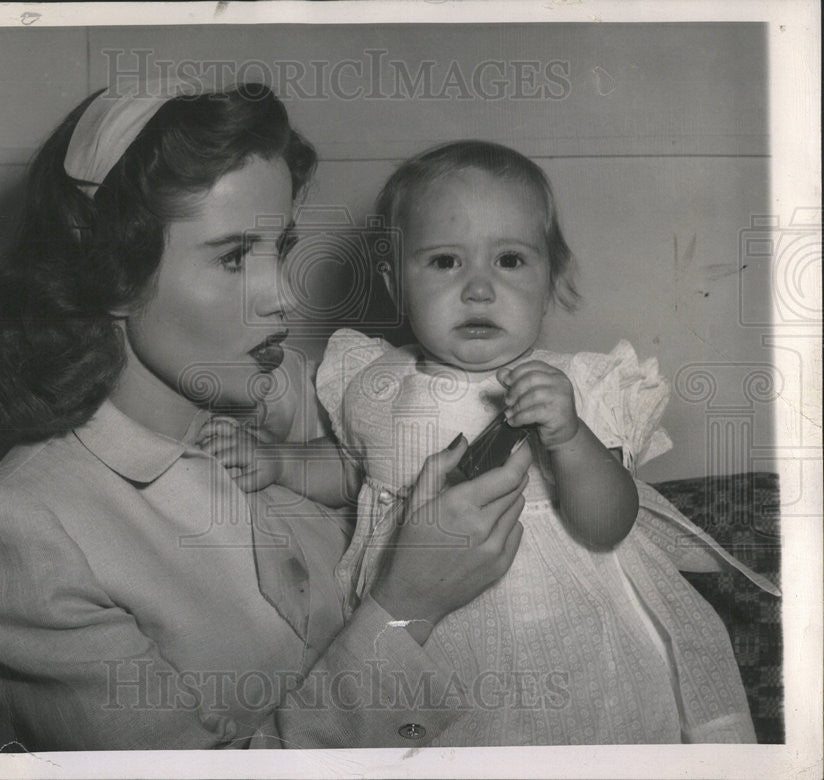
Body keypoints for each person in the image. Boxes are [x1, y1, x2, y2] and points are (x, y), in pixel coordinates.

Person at [0, 87, 534, 751]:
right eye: (232, 257)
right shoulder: (20, 529)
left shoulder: (309, 400)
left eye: (278, 247)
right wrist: (406, 610)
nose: (281, 296)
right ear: (110, 274)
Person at [200, 140, 779, 745]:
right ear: (397, 283)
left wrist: (572, 436)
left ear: (550, 279)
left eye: (509, 260)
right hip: (432, 644)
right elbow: (356, 470)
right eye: (446, 262)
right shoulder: (377, 381)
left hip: (571, 640)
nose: (478, 289)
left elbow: (610, 522)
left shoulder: (576, 385)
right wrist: (281, 462)